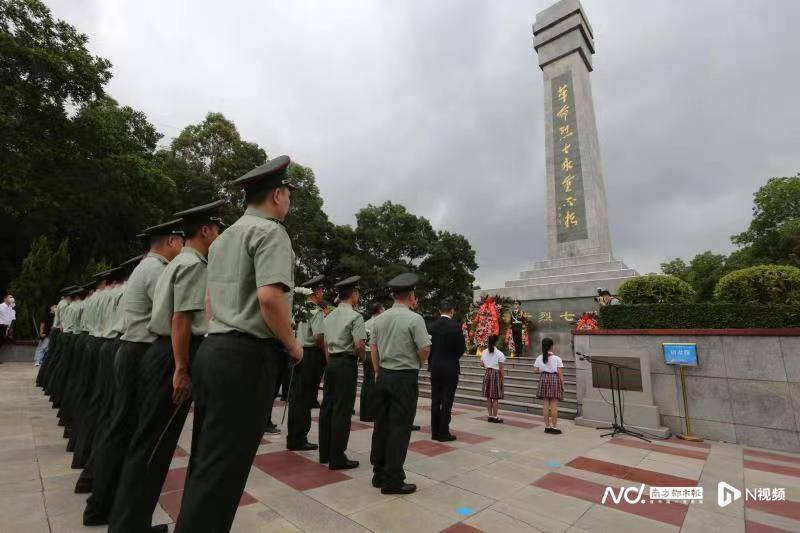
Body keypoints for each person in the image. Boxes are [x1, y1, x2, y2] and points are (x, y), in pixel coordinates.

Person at [175, 155, 302, 533]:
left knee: (206, 460)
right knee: (224, 470)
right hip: (247, 356)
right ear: (278, 195)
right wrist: (294, 346)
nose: (289, 204)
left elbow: (211, 302)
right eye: (289, 196)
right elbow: (269, 298)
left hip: (215, 350)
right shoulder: (271, 232)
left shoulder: (224, 237)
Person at [108, 200, 224, 533]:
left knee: (147, 443)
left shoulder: (176, 263)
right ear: (205, 230)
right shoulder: (192, 264)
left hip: (159, 352)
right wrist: (182, 369)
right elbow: (181, 319)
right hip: (169, 356)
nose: (218, 236)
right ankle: (130, 525)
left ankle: (129, 522)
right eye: (217, 229)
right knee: (153, 447)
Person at [83, 219, 184, 526]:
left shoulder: (145, 268)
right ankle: (106, 507)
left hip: (129, 348)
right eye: (180, 241)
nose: (182, 246)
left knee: (121, 427)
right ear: (169, 242)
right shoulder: (156, 270)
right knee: (130, 431)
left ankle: (102, 503)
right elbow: (168, 314)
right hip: (139, 351)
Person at [369, 273, 431, 495]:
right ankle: (393, 479)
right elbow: (425, 348)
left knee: (382, 424)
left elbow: (373, 348)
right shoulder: (415, 319)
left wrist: (377, 370)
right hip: (404, 376)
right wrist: (417, 362)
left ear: (394, 294)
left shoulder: (379, 319)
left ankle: (378, 472)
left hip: (384, 374)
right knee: (400, 427)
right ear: (411, 294)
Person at [319, 276, 366, 470]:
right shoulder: (356, 317)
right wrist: (363, 358)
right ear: (353, 295)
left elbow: (325, 344)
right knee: (342, 409)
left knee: (328, 406)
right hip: (346, 363)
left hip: (331, 363)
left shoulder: (329, 316)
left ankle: (325, 453)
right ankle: (337, 456)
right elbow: (359, 344)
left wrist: (330, 361)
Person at [287, 275, 326, 451]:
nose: (322, 293)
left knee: (296, 396)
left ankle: (293, 436)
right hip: (311, 354)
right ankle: (299, 438)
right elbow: (318, 336)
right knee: (306, 397)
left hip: (298, 351)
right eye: (321, 290)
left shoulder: (299, 309)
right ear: (316, 292)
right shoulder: (315, 311)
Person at [428, 298, 465, 441]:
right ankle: (444, 432)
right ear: (452, 311)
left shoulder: (431, 326)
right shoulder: (455, 326)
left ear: (439, 311)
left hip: (435, 367)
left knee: (435, 399)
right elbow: (461, 349)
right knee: (447, 400)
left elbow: (428, 347)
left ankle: (434, 431)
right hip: (450, 367)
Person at [533, 337, 564, 434]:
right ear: (551, 346)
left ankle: (547, 426)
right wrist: (563, 385)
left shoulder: (539, 357)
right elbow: (560, 374)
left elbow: (535, 370)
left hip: (543, 379)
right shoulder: (557, 359)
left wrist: (543, 370)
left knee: (545, 404)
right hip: (554, 379)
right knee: (554, 405)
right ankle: (554, 427)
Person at [360, 301, 384, 422]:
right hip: (375, 353)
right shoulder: (380, 322)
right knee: (374, 384)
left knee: (366, 383)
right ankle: (372, 412)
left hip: (366, 353)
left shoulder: (366, 323)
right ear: (379, 310)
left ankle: (364, 412)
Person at [480, 334, 505, 423]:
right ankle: (495, 417)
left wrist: (488, 363)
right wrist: (502, 378)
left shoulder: (484, 352)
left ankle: (490, 416)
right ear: (496, 342)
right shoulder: (500, 353)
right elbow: (501, 368)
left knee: (489, 397)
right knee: (495, 397)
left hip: (488, 373)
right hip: (496, 374)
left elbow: (481, 364)